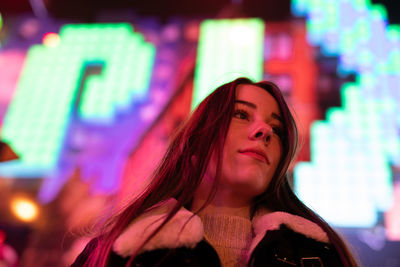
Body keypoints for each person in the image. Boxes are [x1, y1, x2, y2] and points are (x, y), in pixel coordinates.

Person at [71, 78, 359, 267]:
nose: (265, 131)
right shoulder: (116, 251)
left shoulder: (318, 255)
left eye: (278, 129)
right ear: (196, 142)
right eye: (241, 114)